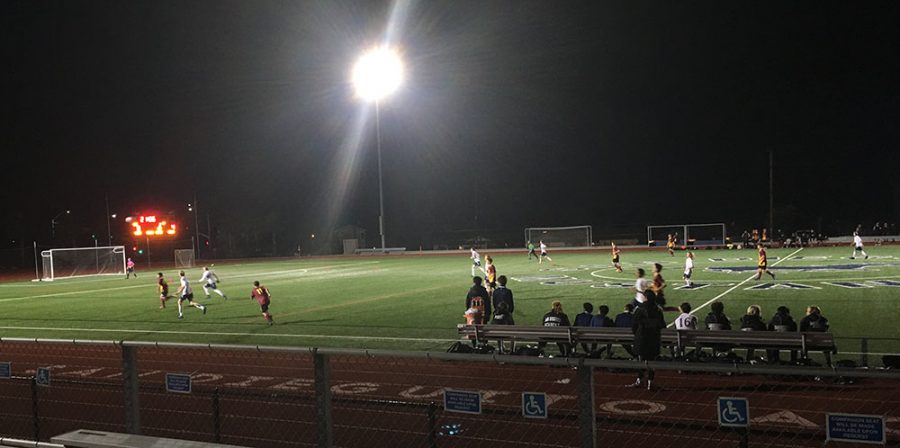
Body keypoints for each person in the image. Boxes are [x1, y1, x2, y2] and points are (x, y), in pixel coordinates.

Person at [628, 291, 666, 389]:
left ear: (646, 298)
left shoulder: (639, 309)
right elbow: (662, 325)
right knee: (652, 360)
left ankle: (639, 380)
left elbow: (634, 325)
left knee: (641, 360)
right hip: (653, 337)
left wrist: (637, 333)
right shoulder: (657, 310)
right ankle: (650, 381)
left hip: (642, 337)